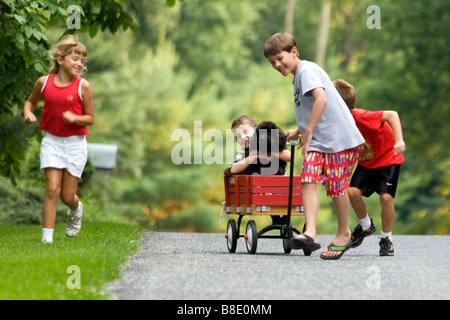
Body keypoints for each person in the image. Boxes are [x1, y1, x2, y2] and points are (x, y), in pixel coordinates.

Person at [264, 33, 364, 259]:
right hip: (318, 141)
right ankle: (310, 232)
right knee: (308, 178)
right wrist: (300, 131)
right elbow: (315, 109)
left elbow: (322, 100)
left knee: (336, 188)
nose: (277, 65)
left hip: (340, 140)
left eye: (280, 58)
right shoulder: (298, 76)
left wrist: (307, 131)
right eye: (272, 62)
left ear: (294, 51)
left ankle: (344, 232)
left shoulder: (307, 70)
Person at [23, 35, 94, 244]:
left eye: (82, 60)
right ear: (60, 60)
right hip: (52, 141)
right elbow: (30, 102)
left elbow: (90, 118)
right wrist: (28, 113)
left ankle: (75, 208)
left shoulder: (84, 86)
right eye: (75, 58)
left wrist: (75, 118)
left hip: (75, 145)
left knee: (66, 196)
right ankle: (47, 240)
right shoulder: (43, 83)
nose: (80, 63)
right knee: (52, 188)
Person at [333, 79, 406, 256]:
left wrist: (399, 140)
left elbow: (392, 115)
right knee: (352, 192)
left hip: (388, 158)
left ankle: (386, 239)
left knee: (386, 198)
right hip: (367, 163)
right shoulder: (337, 122)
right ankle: (366, 226)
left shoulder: (361, 116)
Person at [223, 116, 291, 176]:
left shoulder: (270, 142)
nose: (243, 137)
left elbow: (290, 157)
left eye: (245, 132)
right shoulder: (242, 152)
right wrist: (253, 156)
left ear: (256, 129)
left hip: (278, 183)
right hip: (256, 182)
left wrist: (265, 152)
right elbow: (233, 170)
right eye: (238, 136)